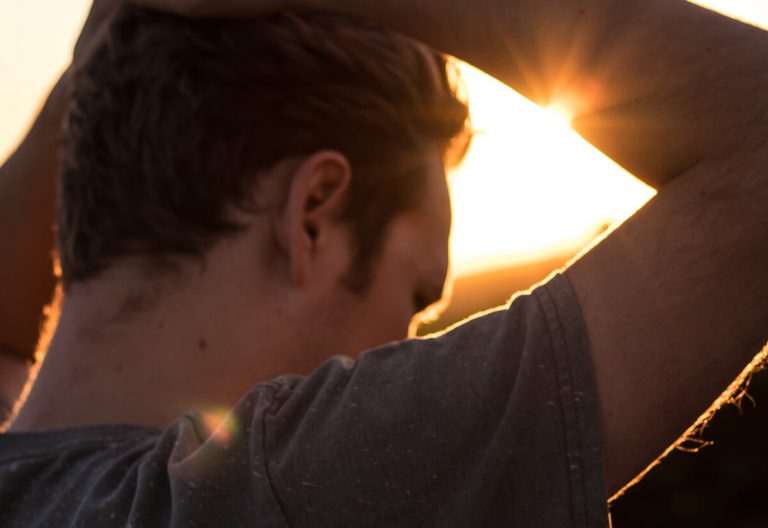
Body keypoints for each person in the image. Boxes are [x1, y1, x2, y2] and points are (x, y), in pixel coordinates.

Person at [0, 0, 766, 525]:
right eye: (416, 295)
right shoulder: (286, 494)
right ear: (312, 215)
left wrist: (119, 41)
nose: (408, 346)